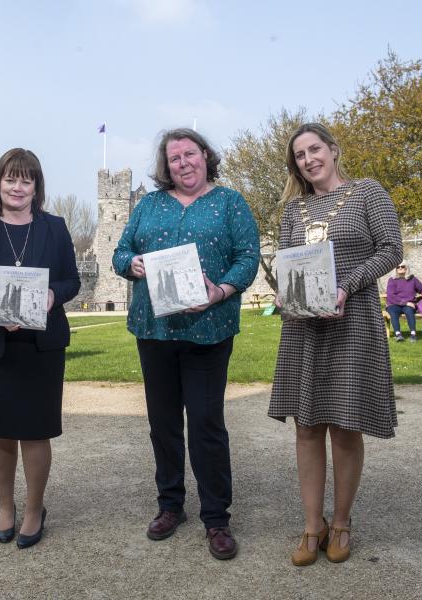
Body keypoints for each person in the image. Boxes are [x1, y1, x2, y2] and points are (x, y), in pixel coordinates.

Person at [112, 128, 260, 560]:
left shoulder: (230, 202)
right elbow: (120, 252)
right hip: (153, 330)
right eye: (174, 158)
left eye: (189, 154)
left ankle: (216, 517)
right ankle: (170, 505)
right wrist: (132, 264)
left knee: (207, 423)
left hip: (208, 330)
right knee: (162, 423)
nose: (183, 163)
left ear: (205, 156)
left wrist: (222, 291)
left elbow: (248, 257)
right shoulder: (148, 204)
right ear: (166, 165)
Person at [268, 123, 402, 566]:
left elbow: (390, 249)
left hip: (353, 320)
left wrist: (346, 286)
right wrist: (283, 290)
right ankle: (313, 525)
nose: (308, 159)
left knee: (345, 426)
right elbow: (286, 263)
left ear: (333, 150)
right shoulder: (294, 211)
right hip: (304, 327)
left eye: (314, 149)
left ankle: (341, 522)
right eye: (300, 156)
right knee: (306, 427)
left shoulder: (367, 192)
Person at [0, 148, 80, 549]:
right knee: (0, 432)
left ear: (36, 186)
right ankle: (5, 506)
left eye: (26, 179)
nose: (18, 186)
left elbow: (71, 281)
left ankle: (33, 509)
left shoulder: (55, 228)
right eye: (11, 178)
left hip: (40, 348)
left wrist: (51, 296)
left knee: (36, 432)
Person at [385, 262, 422, 342]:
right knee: (393, 312)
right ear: (395, 269)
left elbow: (421, 288)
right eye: (398, 267)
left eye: (402, 266)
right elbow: (391, 295)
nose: (400, 268)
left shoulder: (412, 279)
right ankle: (398, 334)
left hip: (409, 304)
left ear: (407, 268)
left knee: (409, 311)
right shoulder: (392, 280)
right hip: (394, 303)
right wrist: (405, 302)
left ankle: (413, 334)